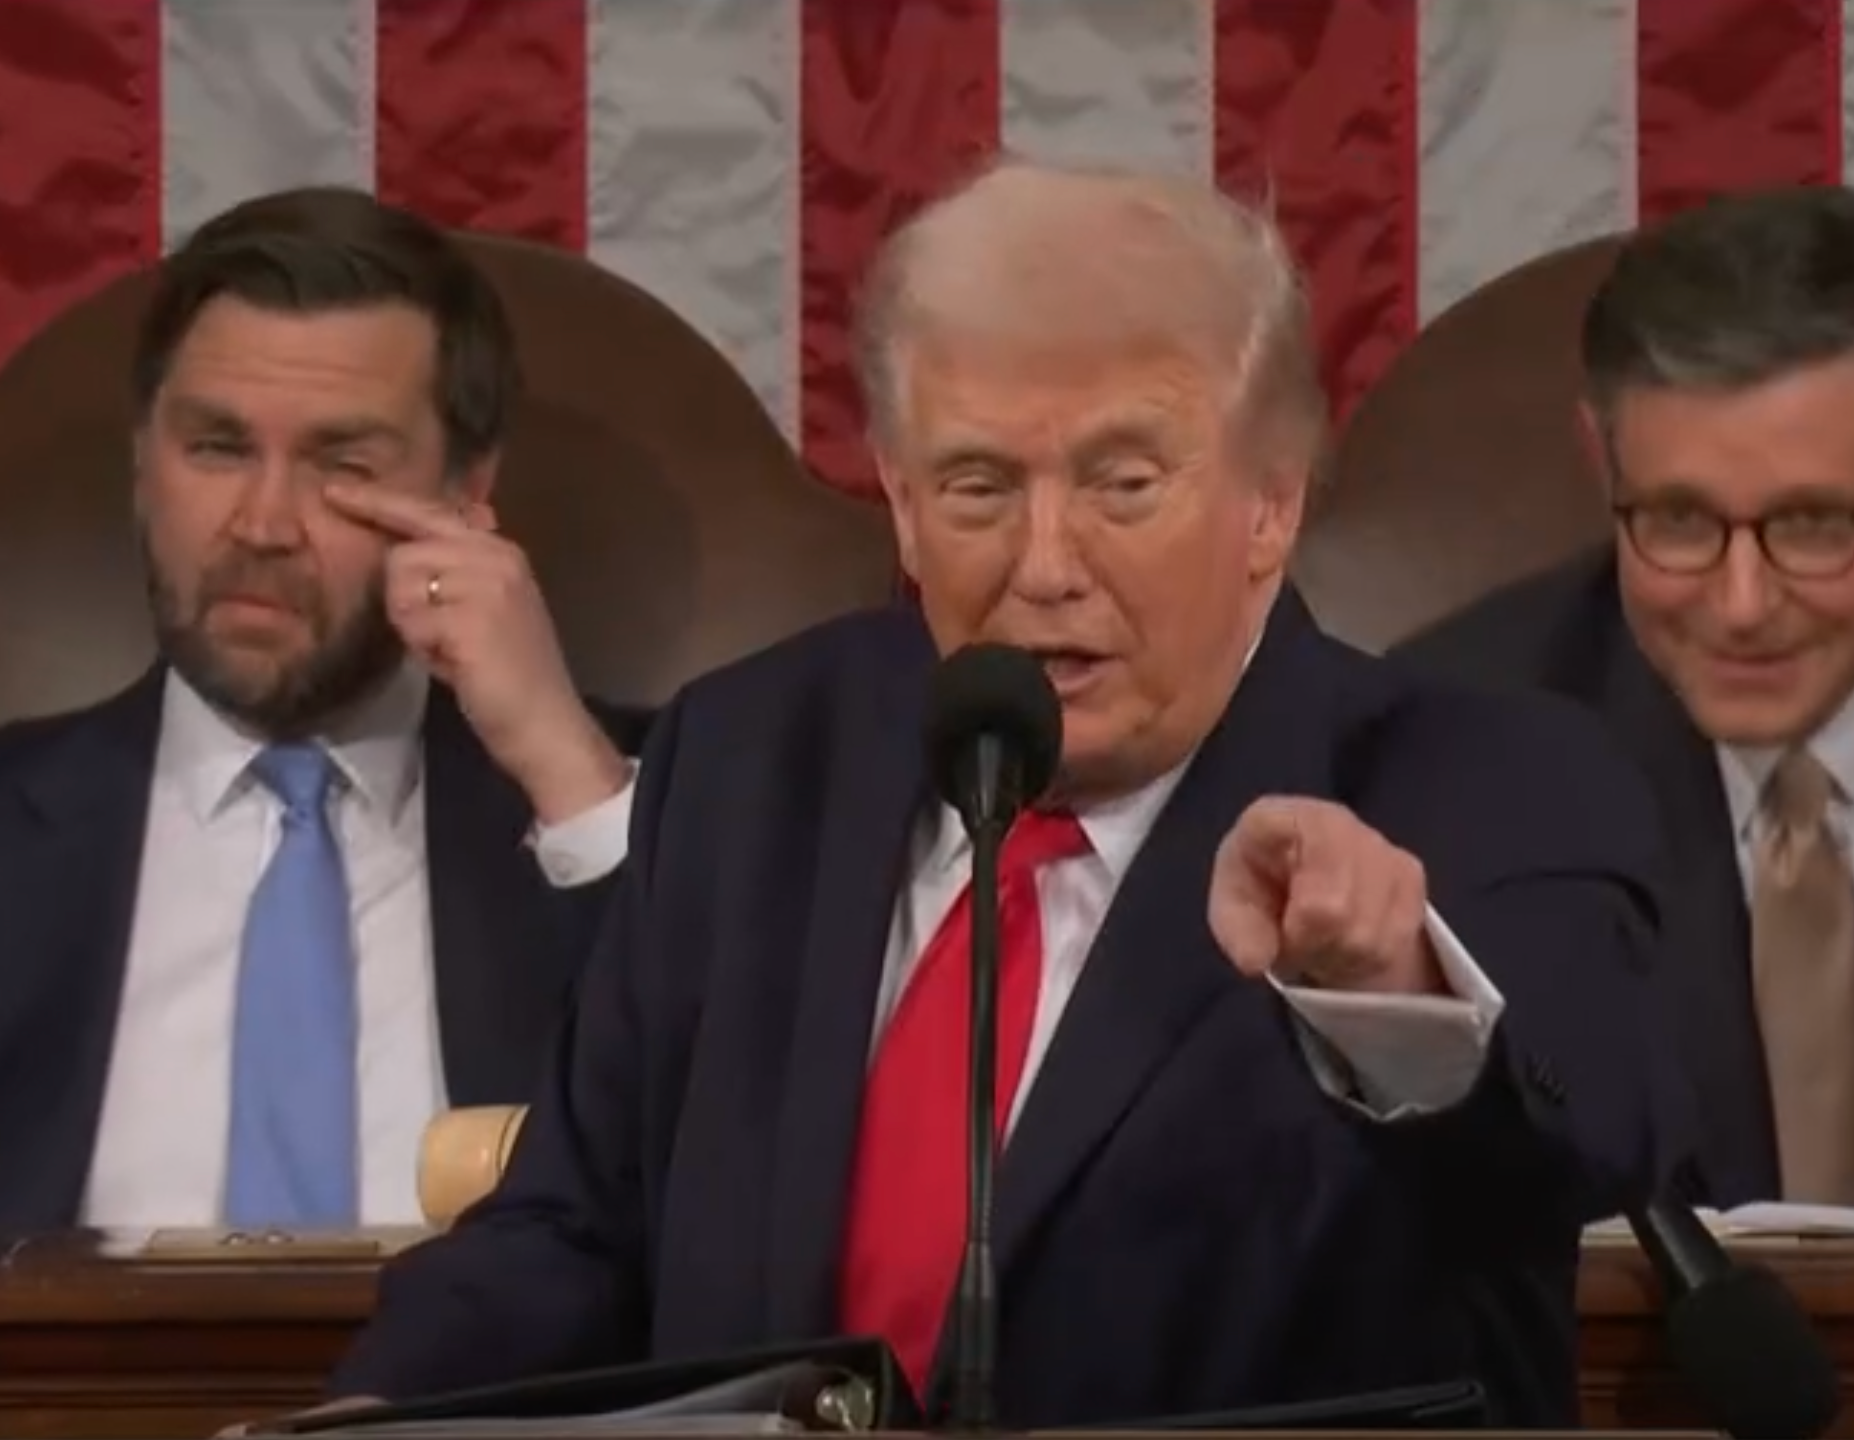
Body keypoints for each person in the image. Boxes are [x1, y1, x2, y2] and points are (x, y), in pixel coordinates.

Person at [314, 160, 1678, 1430]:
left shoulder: (1484, 784)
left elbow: (1578, 1153)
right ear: (901, 508)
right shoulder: (754, 758)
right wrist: (365, 1421)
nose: (1044, 565)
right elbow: (578, 1225)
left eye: (1120, 484)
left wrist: (1386, 994)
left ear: (1269, 503)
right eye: (976, 486)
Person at [0, 187, 646, 1232]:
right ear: (141, 459)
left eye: (341, 465)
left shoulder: (629, 804)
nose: (261, 523)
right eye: (215, 447)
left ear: (465, 491)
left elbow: (728, 1140)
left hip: (484, 1396)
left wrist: (559, 761)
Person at [1398, 184, 1854, 1209]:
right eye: (1682, 521)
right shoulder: (1463, 748)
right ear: (1601, 461)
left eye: (1817, 525)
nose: (1741, 609)